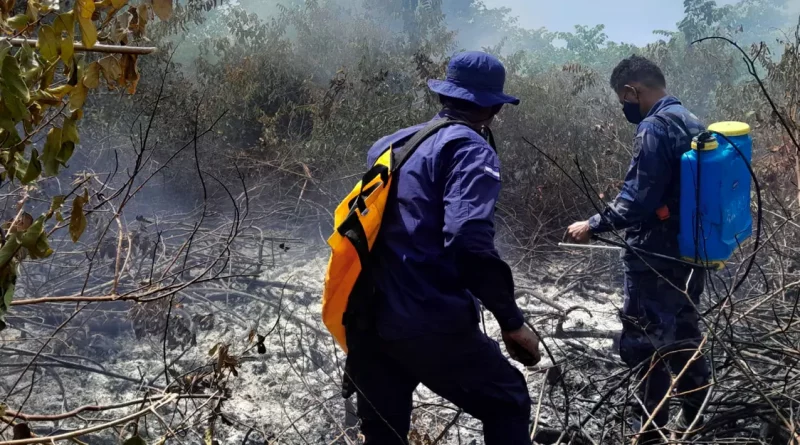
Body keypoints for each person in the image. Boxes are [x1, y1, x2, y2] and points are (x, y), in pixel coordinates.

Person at [350, 51, 541, 445]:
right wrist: (511, 321)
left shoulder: (389, 144)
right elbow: (468, 243)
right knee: (507, 400)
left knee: (384, 433)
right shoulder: (470, 149)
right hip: (427, 314)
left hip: (371, 319)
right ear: (492, 108)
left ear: (445, 95)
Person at [565, 55, 710, 443]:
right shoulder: (694, 122)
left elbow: (637, 200)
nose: (625, 107)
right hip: (692, 253)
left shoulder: (654, 127)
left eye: (623, 100)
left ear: (633, 91)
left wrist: (592, 225)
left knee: (646, 345)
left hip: (656, 259)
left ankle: (648, 433)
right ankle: (695, 421)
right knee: (684, 334)